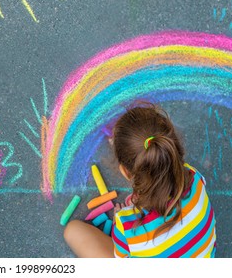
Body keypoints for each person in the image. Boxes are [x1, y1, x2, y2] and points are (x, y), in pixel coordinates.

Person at [63, 103, 216, 258]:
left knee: (73, 231)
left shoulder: (128, 225)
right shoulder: (193, 177)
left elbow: (124, 259)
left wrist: (119, 219)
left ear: (124, 171)